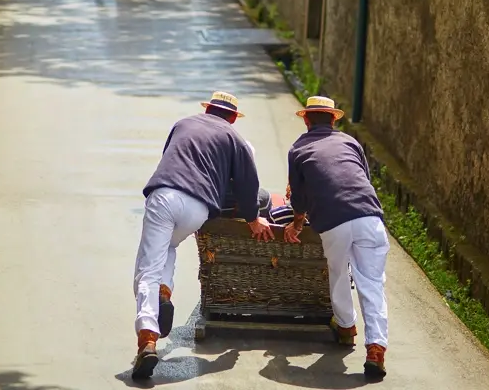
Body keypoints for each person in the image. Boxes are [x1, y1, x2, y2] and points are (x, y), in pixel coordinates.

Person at [132, 91, 274, 380]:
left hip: (166, 195)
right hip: (198, 208)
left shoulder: (182, 124)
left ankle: (148, 338)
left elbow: (169, 160)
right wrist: (252, 218)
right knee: (169, 246)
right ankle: (163, 292)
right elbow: (249, 185)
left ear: (208, 109)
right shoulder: (237, 140)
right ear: (233, 118)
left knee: (149, 266)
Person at [282, 96, 390, 379]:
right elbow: (362, 177)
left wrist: (296, 223)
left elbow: (299, 197)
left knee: (339, 273)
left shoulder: (298, 149)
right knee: (372, 283)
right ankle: (376, 348)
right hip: (369, 216)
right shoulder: (351, 142)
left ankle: (345, 327)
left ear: (306, 119)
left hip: (333, 221)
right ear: (333, 119)